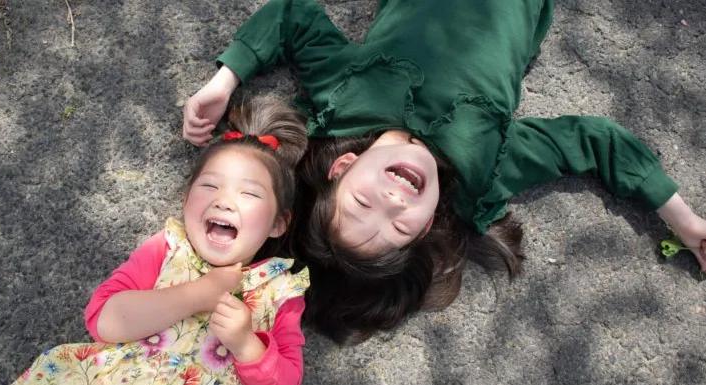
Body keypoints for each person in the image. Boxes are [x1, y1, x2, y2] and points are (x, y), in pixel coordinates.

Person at [182, 0, 706, 343]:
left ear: (343, 167)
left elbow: (292, 15)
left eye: (365, 203)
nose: (395, 199)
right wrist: (686, 224)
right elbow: (595, 140)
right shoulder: (484, 174)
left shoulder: (342, 98)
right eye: (402, 225)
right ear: (430, 223)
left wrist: (224, 82)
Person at [15, 97, 310, 385]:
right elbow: (103, 321)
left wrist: (246, 345)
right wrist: (197, 294)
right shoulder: (168, 247)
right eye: (210, 186)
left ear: (277, 223)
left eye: (249, 194)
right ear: (185, 200)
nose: (224, 201)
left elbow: (288, 378)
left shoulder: (281, 290)